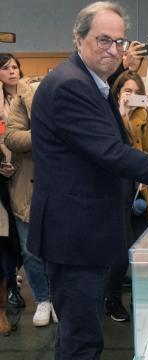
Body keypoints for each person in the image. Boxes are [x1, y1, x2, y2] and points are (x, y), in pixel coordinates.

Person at [29, 3, 148, 358]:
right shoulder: (70, 85)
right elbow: (113, 154)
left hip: (85, 231)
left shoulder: (93, 83)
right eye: (104, 40)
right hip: (72, 235)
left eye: (119, 42)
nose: (113, 50)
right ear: (79, 38)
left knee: (81, 336)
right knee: (81, 341)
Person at [103, 70, 148, 322]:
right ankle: (112, 299)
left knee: (142, 252)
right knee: (117, 256)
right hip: (115, 193)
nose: (133, 96)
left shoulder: (142, 113)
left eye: (138, 92)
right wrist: (121, 112)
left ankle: (141, 301)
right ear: (117, 92)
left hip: (139, 191)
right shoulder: (108, 113)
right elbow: (113, 145)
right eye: (128, 91)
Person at [5, 70, 56, 328]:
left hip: (60, 188)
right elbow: (12, 137)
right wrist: (47, 137)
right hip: (26, 186)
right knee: (30, 249)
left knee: (59, 246)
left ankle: (59, 297)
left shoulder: (65, 97)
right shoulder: (20, 101)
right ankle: (43, 299)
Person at [0, 53, 25, 315]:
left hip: (25, 170)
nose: (12, 72)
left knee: (20, 232)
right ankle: (10, 281)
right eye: (5, 68)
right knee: (7, 233)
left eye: (15, 67)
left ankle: (14, 274)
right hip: (3, 171)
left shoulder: (28, 95)